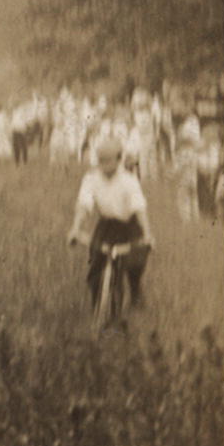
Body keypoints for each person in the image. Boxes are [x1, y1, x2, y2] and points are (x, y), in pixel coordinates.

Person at [68, 131, 152, 323]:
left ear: (119, 159)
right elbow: (84, 204)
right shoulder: (91, 178)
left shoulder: (129, 181)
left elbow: (139, 208)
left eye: (109, 161)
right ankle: (101, 310)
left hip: (130, 225)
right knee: (97, 266)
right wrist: (75, 228)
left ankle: (134, 292)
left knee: (132, 264)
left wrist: (147, 233)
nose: (104, 166)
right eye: (101, 161)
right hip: (107, 224)